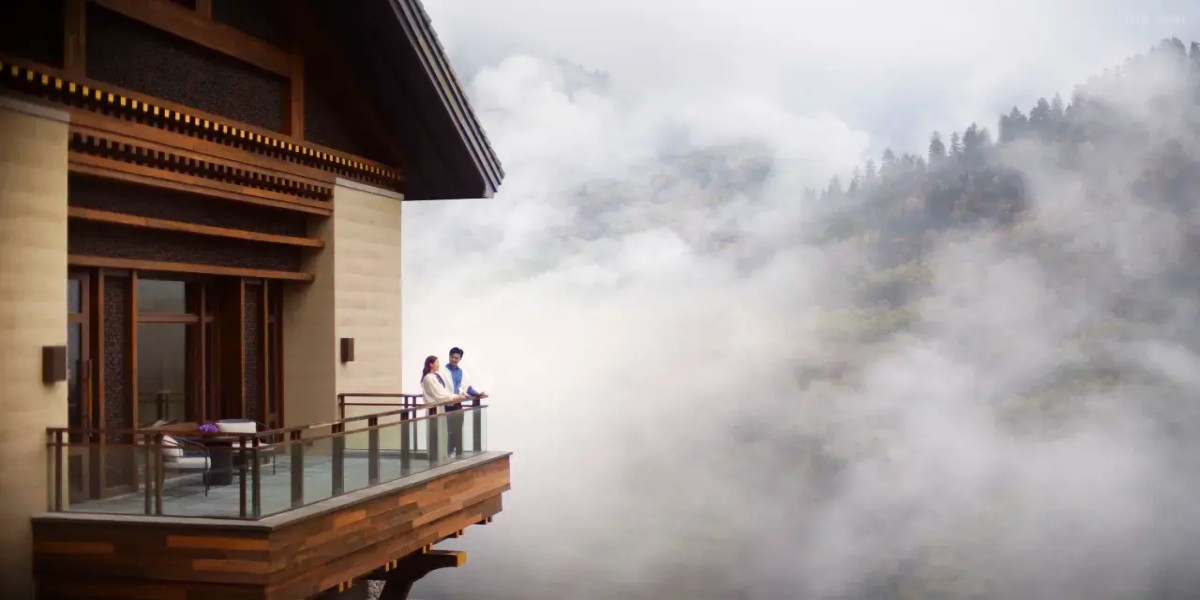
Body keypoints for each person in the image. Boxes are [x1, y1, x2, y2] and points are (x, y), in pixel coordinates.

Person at [420, 355, 466, 458]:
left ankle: (441, 456)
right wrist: (455, 397)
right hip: (433, 409)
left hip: (439, 408)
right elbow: (439, 394)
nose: (438, 364)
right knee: (434, 434)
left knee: (442, 433)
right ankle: (434, 457)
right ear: (431, 364)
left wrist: (455, 396)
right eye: (437, 362)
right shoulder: (428, 378)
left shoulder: (434, 376)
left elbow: (443, 391)